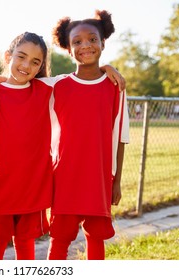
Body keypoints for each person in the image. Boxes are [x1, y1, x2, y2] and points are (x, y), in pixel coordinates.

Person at [0, 32, 125, 260]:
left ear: (41, 66)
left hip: (32, 186)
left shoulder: (44, 88)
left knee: (25, 243)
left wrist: (106, 68)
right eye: (20, 57)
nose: (26, 65)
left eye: (35, 62)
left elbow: (82, 77)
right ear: (8, 56)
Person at [48, 10, 130, 260]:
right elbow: (14, 82)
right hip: (65, 177)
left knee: (95, 237)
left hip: (100, 176)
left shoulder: (116, 86)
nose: (86, 45)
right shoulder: (57, 86)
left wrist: (116, 180)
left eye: (92, 39)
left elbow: (120, 136)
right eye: (77, 42)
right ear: (69, 49)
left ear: (103, 42)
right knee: (60, 239)